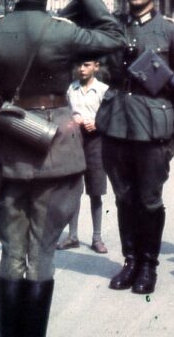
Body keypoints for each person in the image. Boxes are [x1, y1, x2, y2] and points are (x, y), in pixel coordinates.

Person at [0, 0, 125, 337]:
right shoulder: (64, 32)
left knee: (11, 252)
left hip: (7, 151)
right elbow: (115, 34)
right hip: (57, 152)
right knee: (42, 254)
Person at [96, 0, 174, 294]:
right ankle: (129, 262)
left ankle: (148, 265)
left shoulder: (169, 31)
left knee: (149, 200)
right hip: (117, 123)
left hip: (153, 127)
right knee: (124, 197)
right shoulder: (114, 26)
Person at [57, 59, 109, 254]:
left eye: (86, 65)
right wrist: (72, 120)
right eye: (79, 65)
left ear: (96, 66)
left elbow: (111, 115)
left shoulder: (103, 90)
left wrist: (97, 123)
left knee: (95, 191)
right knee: (73, 190)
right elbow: (63, 112)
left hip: (96, 143)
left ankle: (97, 237)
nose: (81, 69)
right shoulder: (71, 89)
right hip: (75, 142)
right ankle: (72, 236)